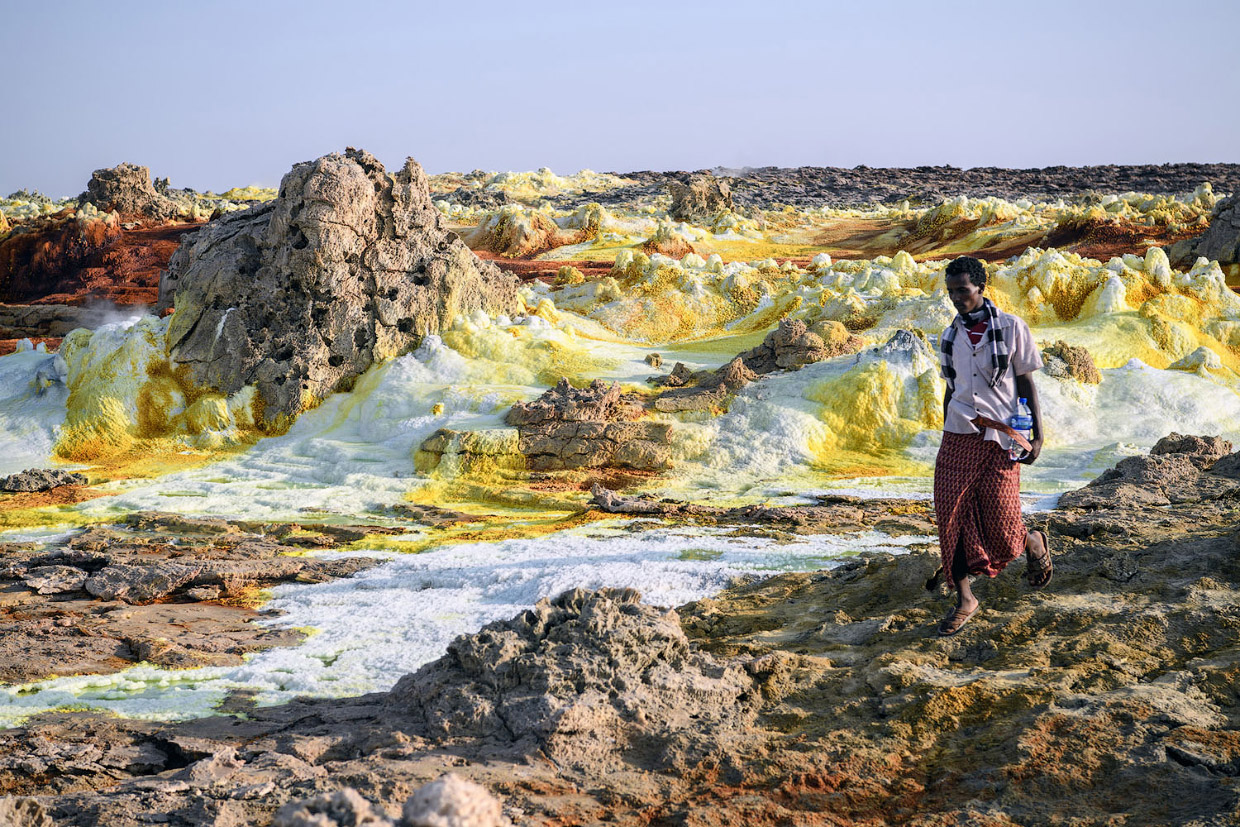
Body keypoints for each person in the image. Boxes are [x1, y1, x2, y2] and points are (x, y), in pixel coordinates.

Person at [934, 255, 1052, 637]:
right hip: (958, 435)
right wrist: (945, 430)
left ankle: (1032, 541)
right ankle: (965, 599)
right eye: (951, 291)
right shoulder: (950, 335)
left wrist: (1036, 435)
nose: (956, 298)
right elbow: (951, 389)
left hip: (1001, 436)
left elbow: (1026, 385)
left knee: (1004, 528)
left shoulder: (1012, 328)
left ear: (981, 288)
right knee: (950, 515)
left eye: (962, 291)